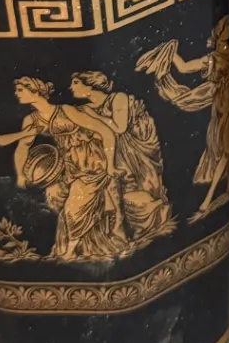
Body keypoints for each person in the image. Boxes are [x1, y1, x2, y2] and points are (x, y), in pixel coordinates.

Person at [9, 76, 128, 262]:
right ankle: (86, 246)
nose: (16, 94)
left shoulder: (65, 110)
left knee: (74, 207)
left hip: (92, 161)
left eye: (20, 90)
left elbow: (105, 131)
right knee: (59, 200)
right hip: (71, 165)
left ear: (34, 90)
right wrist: (21, 175)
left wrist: (110, 165)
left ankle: (69, 252)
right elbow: (22, 148)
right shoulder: (30, 120)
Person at [137, 17, 229, 219]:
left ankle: (227, 187)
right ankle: (208, 198)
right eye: (225, 29)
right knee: (226, 151)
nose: (228, 30)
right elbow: (184, 68)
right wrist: (170, 50)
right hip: (224, 108)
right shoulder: (213, 59)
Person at [68, 71, 176, 248]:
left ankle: (153, 219)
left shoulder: (117, 98)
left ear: (90, 84)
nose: (71, 87)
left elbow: (120, 127)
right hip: (112, 152)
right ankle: (131, 228)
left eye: (76, 83)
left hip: (133, 149)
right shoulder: (87, 107)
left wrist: (93, 116)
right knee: (119, 190)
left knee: (142, 184)